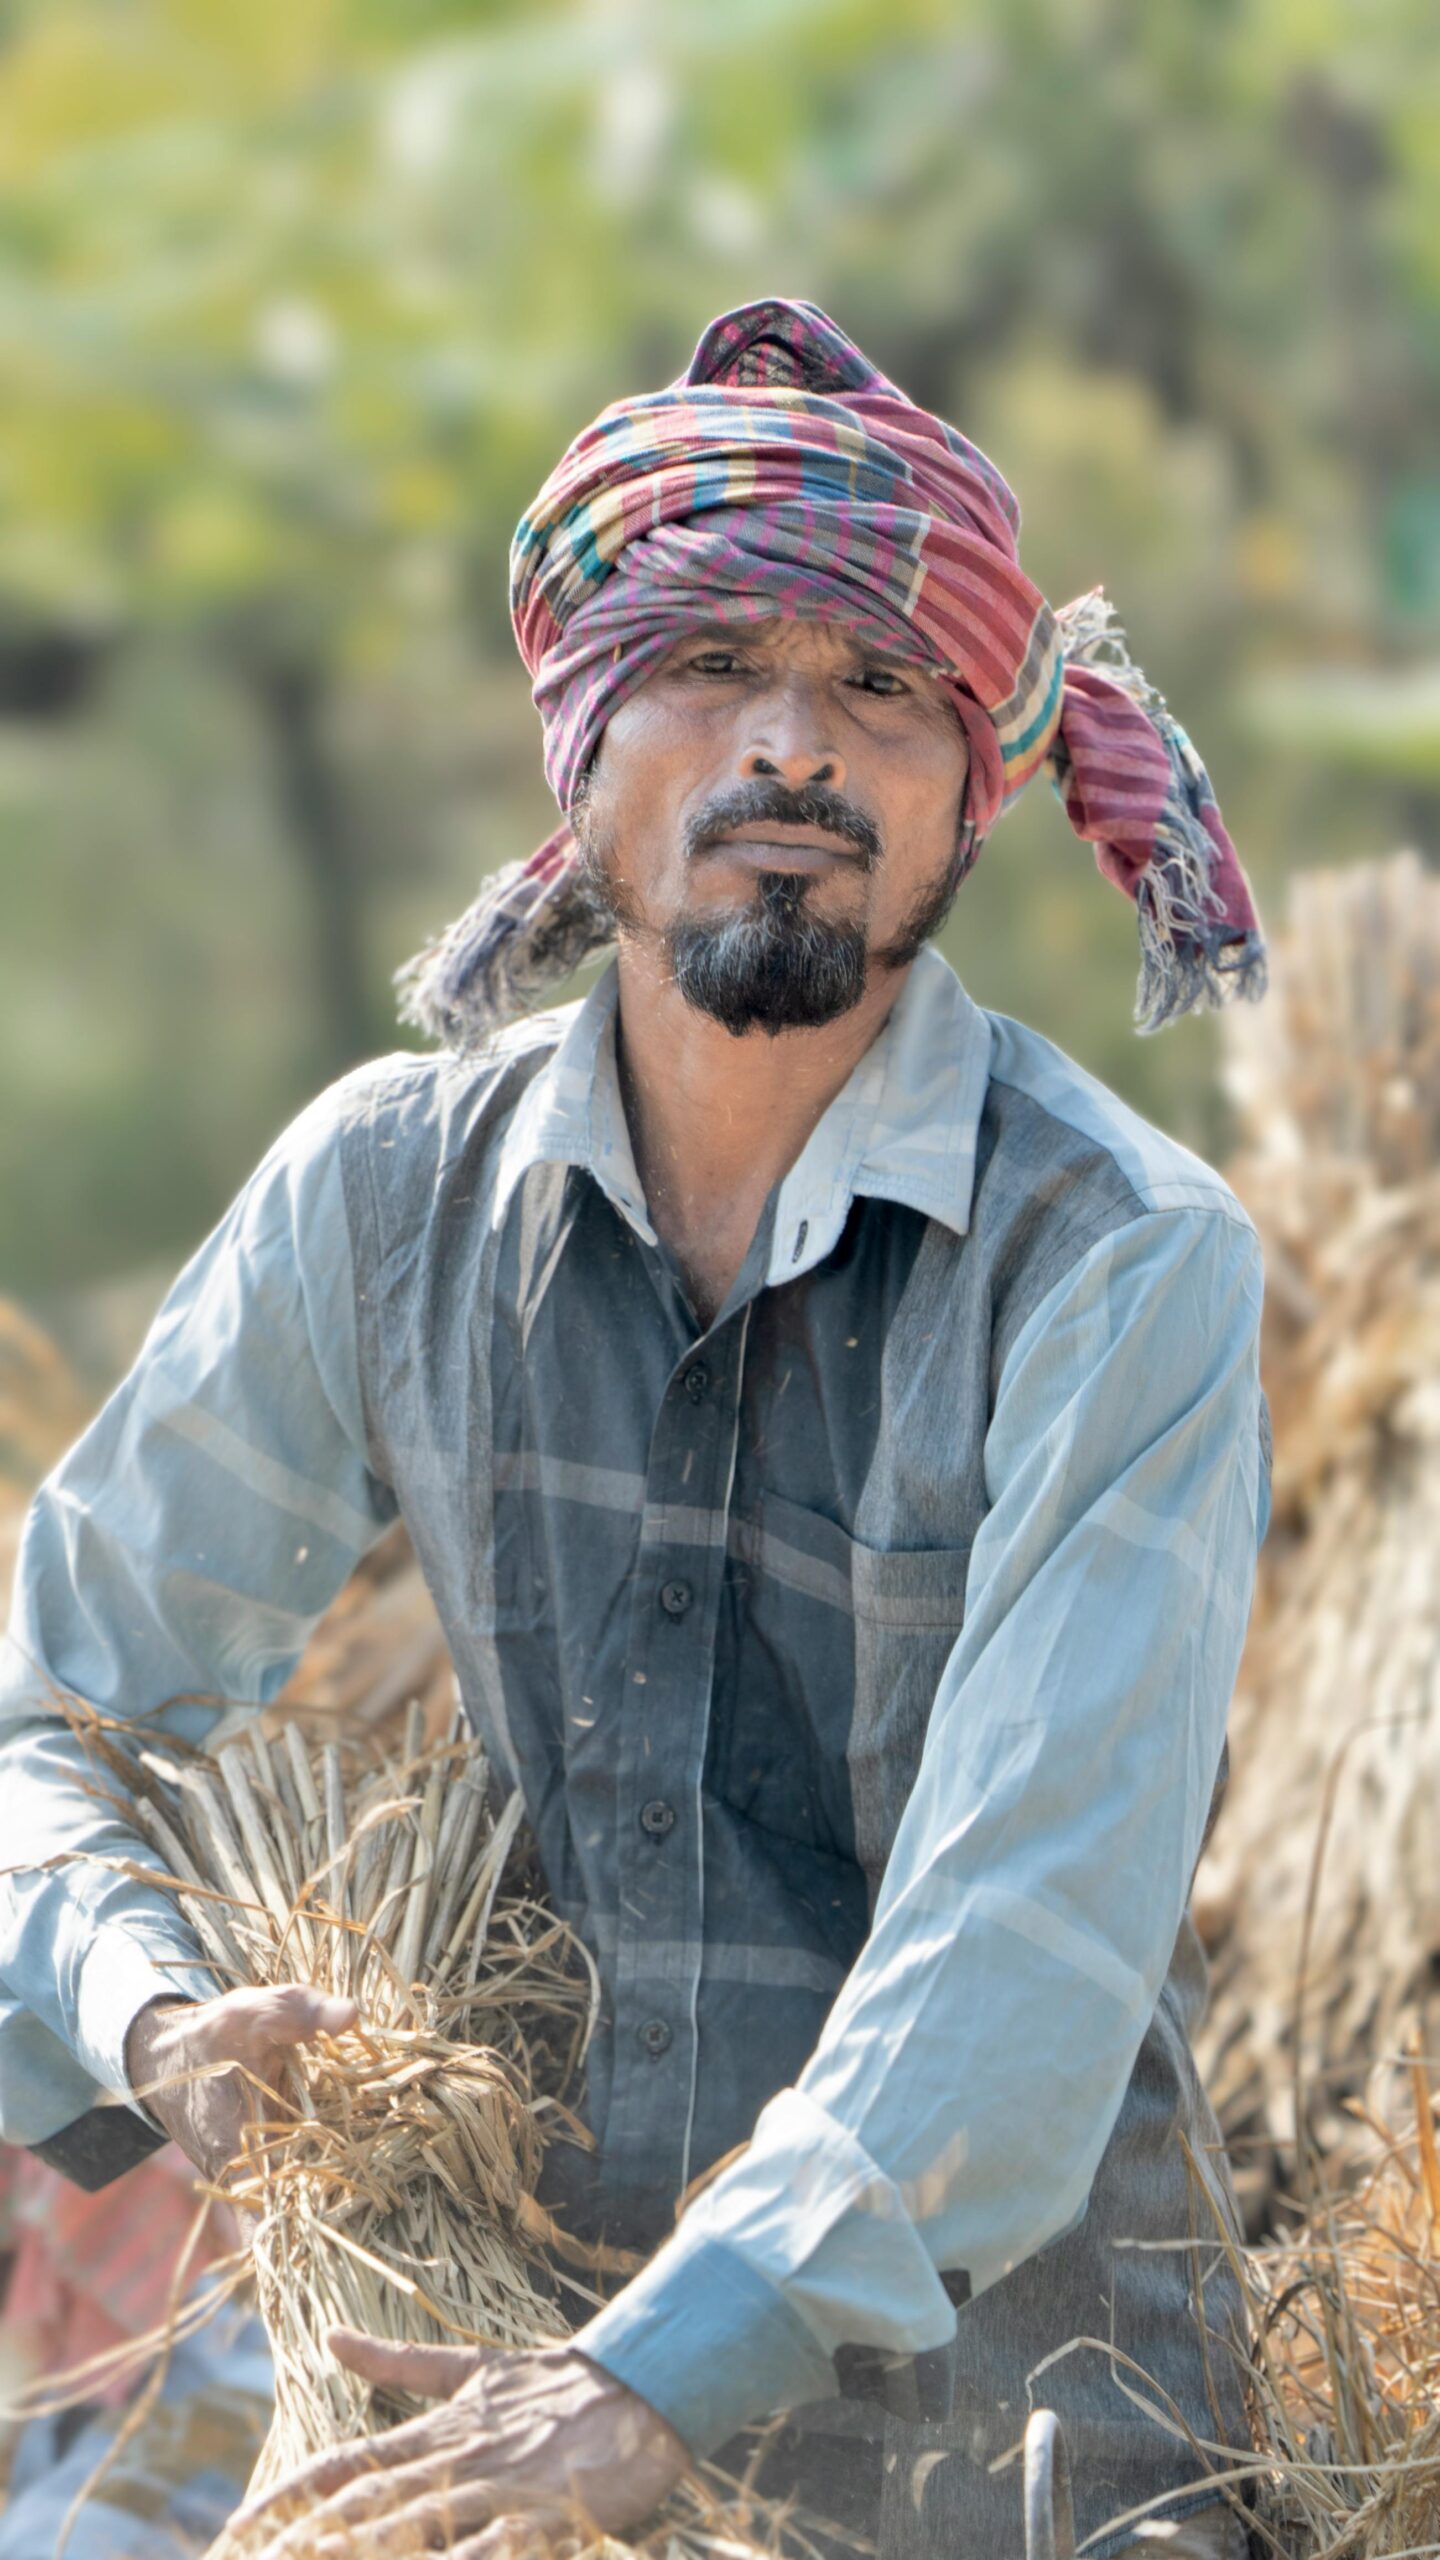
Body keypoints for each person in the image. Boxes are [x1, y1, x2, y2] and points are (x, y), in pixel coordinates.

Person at [0, 300, 1270, 2560]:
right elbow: (51, 1705)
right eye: (711, 666)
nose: (794, 744)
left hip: (1013, 2469)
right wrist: (157, 2008)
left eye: (883, 684)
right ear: (581, 752)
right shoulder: (385, 1198)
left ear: (974, 777)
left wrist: (642, 2379)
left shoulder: (1120, 1263)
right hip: (483, 2381)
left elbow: (1026, 1948)